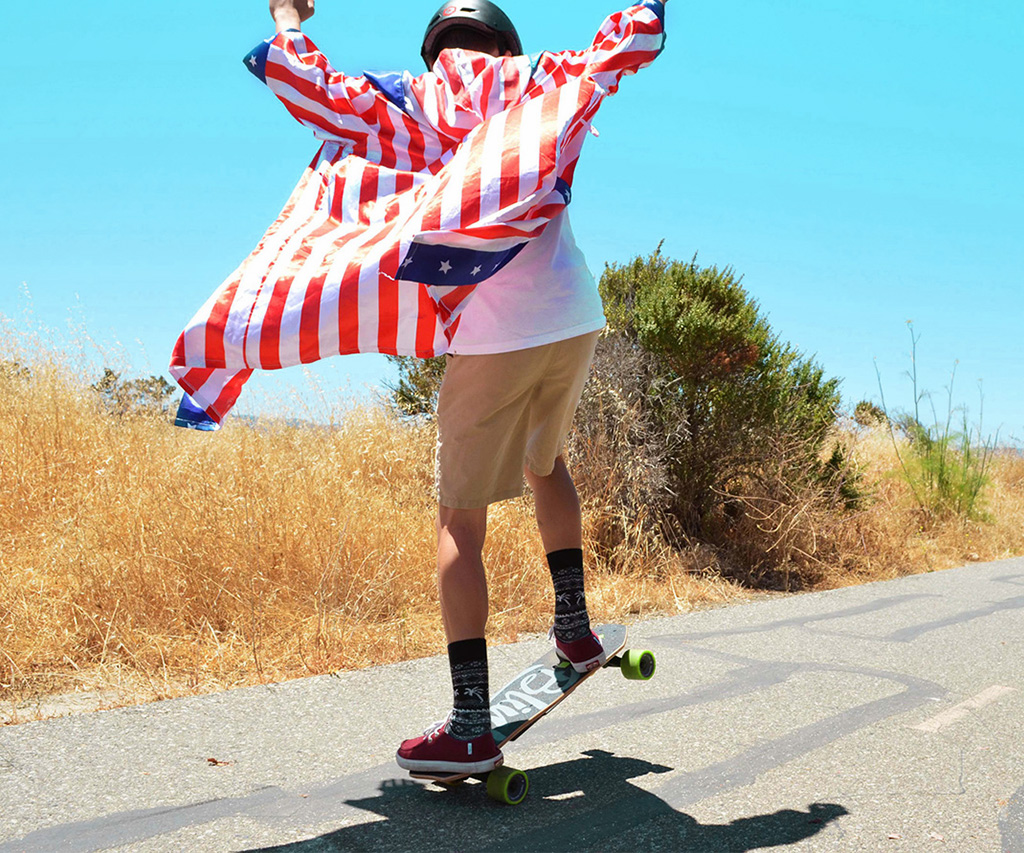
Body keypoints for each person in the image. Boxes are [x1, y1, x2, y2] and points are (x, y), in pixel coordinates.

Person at [193, 0, 665, 776]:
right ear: (503, 43)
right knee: (546, 463)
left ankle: (470, 725)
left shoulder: (411, 100)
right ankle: (574, 628)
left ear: (434, 49)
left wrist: (287, 18)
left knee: (459, 523)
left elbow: (309, 89)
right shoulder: (537, 77)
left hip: (493, 332)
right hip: (574, 313)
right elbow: (627, 43)